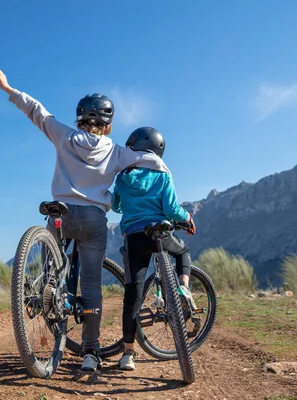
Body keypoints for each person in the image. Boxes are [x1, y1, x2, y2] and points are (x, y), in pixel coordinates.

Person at [0, 65, 171, 372]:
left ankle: (47, 291)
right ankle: (90, 353)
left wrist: (9, 90)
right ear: (108, 122)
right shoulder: (116, 152)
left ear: (80, 117)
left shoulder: (64, 136)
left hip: (60, 212)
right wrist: (163, 170)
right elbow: (148, 158)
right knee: (90, 286)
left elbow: (38, 112)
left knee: (53, 266)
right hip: (93, 220)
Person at [111, 126, 196, 371]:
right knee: (182, 252)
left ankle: (127, 353)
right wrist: (187, 218)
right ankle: (183, 289)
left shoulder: (124, 176)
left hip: (135, 236)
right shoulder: (163, 173)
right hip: (159, 232)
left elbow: (116, 206)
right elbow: (171, 208)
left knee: (133, 295)